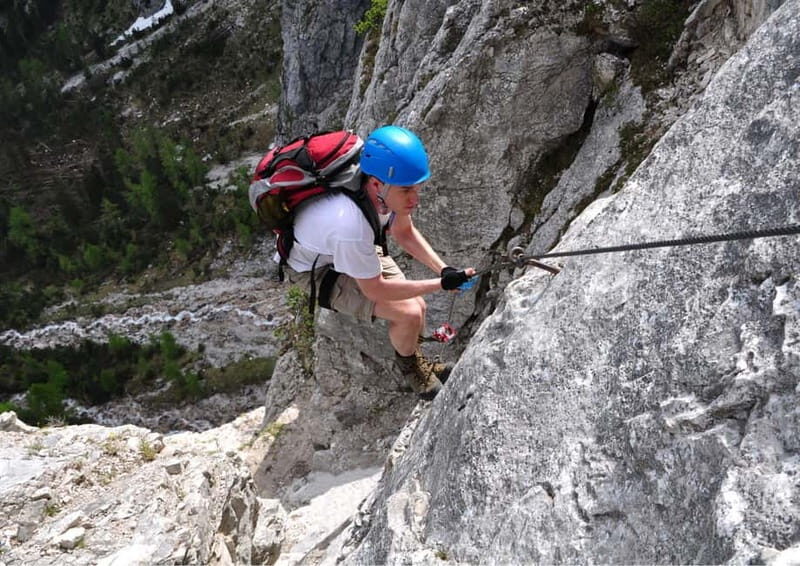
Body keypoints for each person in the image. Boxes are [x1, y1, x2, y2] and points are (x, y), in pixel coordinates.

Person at [280, 125, 475, 399]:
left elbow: (403, 232)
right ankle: (411, 370)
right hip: (318, 270)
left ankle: (414, 356)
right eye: (407, 190)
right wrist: (441, 284)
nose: (415, 199)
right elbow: (376, 290)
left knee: (418, 305)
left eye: (417, 188)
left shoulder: (382, 188)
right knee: (409, 314)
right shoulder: (350, 225)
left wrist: (443, 269)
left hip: (340, 247)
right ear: (375, 184)